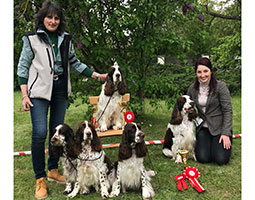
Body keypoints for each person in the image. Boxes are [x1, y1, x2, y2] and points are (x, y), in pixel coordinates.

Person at [16, 1, 107, 199]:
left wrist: (96, 75)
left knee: (55, 133)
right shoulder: (31, 39)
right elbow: (23, 68)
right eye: (49, 17)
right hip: (38, 93)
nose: (53, 21)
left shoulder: (65, 39)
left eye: (56, 18)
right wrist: (24, 94)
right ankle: (40, 178)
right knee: (40, 133)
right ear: (42, 18)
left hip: (59, 92)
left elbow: (75, 63)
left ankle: (52, 170)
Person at [187, 57, 232, 165]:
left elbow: (227, 111)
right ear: (196, 73)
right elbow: (188, 106)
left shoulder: (221, 87)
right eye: (199, 72)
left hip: (219, 128)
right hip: (203, 128)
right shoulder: (192, 89)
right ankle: (210, 145)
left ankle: (221, 144)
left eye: (205, 71)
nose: (203, 75)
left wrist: (226, 133)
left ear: (211, 71)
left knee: (220, 160)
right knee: (203, 158)